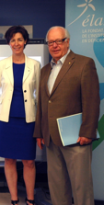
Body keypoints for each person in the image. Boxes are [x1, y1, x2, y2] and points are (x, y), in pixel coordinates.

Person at [33, 26, 100, 205]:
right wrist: (39, 132)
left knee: (81, 187)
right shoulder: (45, 70)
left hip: (76, 137)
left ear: (67, 41)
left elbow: (92, 101)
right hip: (51, 138)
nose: (54, 46)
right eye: (51, 42)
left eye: (59, 41)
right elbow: (42, 104)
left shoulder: (84, 64)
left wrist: (88, 131)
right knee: (57, 187)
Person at [0, 26, 40, 205]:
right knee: (9, 159)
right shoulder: (1, 65)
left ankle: (30, 198)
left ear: (25, 41)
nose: (16, 43)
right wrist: (3, 107)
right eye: (13, 40)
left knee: (29, 161)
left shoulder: (35, 65)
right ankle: (14, 198)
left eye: (20, 39)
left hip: (28, 119)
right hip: (6, 120)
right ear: (8, 43)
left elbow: (38, 93)